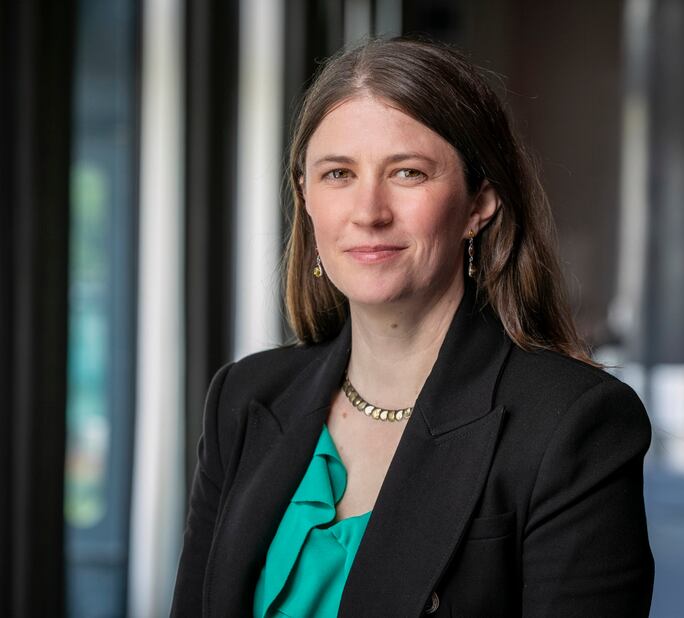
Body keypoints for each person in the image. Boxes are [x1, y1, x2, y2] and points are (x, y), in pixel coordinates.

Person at [171, 36, 654, 617]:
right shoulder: (244, 398)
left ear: (480, 202)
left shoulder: (573, 424)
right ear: (306, 198)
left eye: (408, 173)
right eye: (338, 174)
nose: (369, 211)